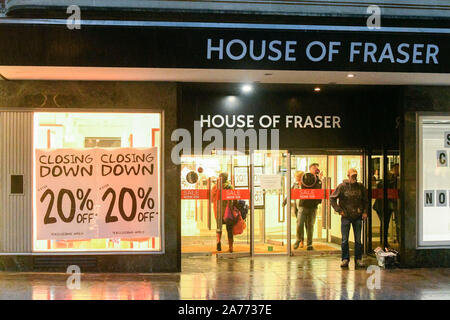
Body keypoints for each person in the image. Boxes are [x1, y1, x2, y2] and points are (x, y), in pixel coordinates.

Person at [330, 168, 368, 268]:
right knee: (344, 240)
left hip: (358, 216)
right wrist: (339, 210)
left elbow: (365, 200)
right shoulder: (342, 187)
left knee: (358, 240)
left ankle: (358, 259)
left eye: (355, 175)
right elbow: (332, 198)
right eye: (352, 176)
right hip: (346, 216)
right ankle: (345, 259)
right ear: (348, 176)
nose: (354, 178)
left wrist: (364, 212)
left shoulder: (360, 187)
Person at [295, 163, 322, 251]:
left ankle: (309, 244)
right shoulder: (305, 177)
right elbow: (302, 186)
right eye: (314, 168)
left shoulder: (318, 180)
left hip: (313, 207)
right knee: (299, 223)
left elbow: (319, 191)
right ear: (310, 169)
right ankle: (298, 239)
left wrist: (319, 178)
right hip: (303, 205)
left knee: (310, 226)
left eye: (317, 168)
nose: (316, 170)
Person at [372, 164, 400, 248]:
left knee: (385, 223)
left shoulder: (386, 182)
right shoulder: (390, 181)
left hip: (384, 206)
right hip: (384, 206)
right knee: (385, 223)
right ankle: (384, 242)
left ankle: (384, 242)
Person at [211, 172, 235, 253]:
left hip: (218, 211)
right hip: (228, 212)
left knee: (219, 228)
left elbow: (212, 199)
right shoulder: (230, 187)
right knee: (229, 229)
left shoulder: (215, 187)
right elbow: (234, 198)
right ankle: (231, 247)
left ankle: (218, 242)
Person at [283, 171, 305, 249]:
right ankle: (301, 241)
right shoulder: (295, 185)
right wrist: (285, 202)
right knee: (299, 225)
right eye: (296, 177)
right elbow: (290, 193)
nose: (297, 178)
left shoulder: (306, 184)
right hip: (297, 207)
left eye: (299, 177)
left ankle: (304, 242)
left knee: (304, 225)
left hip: (305, 207)